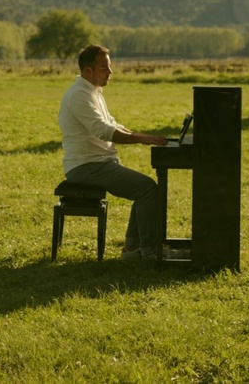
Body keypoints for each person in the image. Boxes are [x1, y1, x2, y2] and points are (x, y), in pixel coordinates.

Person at [58, 44, 168, 259]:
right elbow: (103, 130)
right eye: (104, 68)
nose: (110, 72)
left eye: (109, 67)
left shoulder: (93, 91)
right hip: (87, 166)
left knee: (145, 190)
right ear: (87, 71)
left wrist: (143, 136)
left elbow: (112, 123)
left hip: (97, 164)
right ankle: (147, 251)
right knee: (147, 190)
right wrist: (142, 140)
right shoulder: (79, 95)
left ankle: (133, 248)